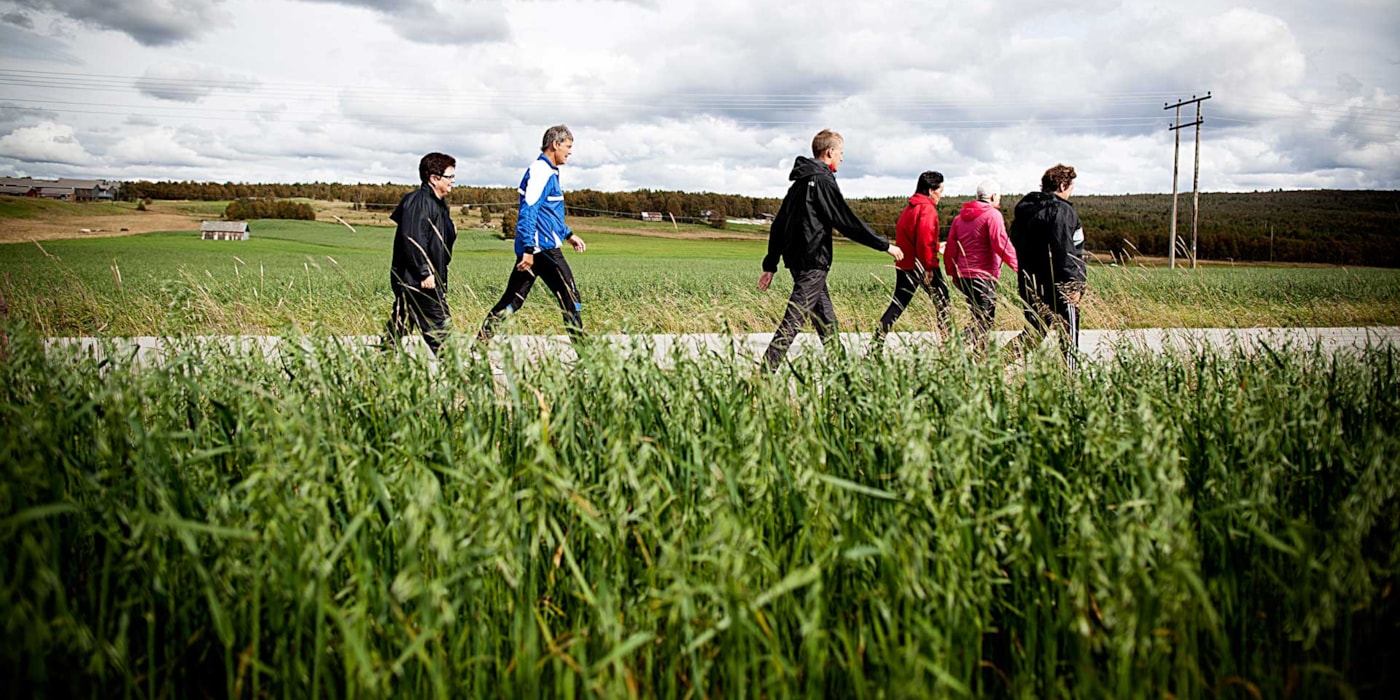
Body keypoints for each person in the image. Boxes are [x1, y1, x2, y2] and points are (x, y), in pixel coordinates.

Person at [758, 129, 904, 371]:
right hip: (813, 260)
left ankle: (845, 374)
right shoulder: (822, 181)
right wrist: (884, 245)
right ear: (829, 152)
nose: (842, 159)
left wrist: (771, 264)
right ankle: (763, 373)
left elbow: (778, 225)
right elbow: (846, 221)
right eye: (841, 153)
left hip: (799, 261)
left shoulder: (799, 183)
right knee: (794, 319)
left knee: (826, 320)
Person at [477, 125, 588, 343]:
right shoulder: (541, 171)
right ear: (555, 144)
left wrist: (568, 234)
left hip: (538, 248)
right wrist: (528, 249)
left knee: (513, 301)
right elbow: (528, 211)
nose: (570, 152)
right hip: (542, 250)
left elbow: (548, 215)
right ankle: (587, 358)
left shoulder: (549, 171)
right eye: (568, 146)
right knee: (570, 298)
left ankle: (479, 346)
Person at [1009, 164, 1086, 361]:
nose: (1070, 192)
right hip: (1059, 285)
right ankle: (1070, 381)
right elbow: (1065, 250)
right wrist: (1073, 284)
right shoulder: (1061, 211)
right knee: (1068, 336)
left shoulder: (1026, 211)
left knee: (1033, 334)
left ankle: (992, 367)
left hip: (1030, 282)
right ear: (1062, 185)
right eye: (1070, 187)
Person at [384, 151, 458, 354]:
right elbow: (413, 238)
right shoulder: (419, 201)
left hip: (419, 280)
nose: (453, 181)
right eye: (449, 177)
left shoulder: (438, 204)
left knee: (399, 328)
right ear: (434, 179)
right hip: (419, 281)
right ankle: (458, 379)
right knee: (442, 336)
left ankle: (378, 374)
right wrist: (424, 272)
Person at [872, 170, 952, 351]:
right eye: (940, 190)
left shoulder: (910, 208)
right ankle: (948, 347)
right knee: (943, 302)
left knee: (897, 305)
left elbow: (913, 237)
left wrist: (936, 246)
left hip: (905, 264)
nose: (941, 194)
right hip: (922, 265)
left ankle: (875, 346)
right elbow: (923, 240)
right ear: (931, 190)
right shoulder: (927, 209)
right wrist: (930, 267)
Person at [944, 179, 1018, 351]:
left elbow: (951, 248)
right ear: (993, 196)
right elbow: (1001, 244)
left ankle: (979, 357)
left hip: (964, 276)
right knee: (984, 321)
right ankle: (953, 348)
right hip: (982, 277)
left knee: (978, 318)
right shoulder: (993, 215)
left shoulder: (959, 218)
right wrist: (1020, 268)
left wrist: (952, 273)